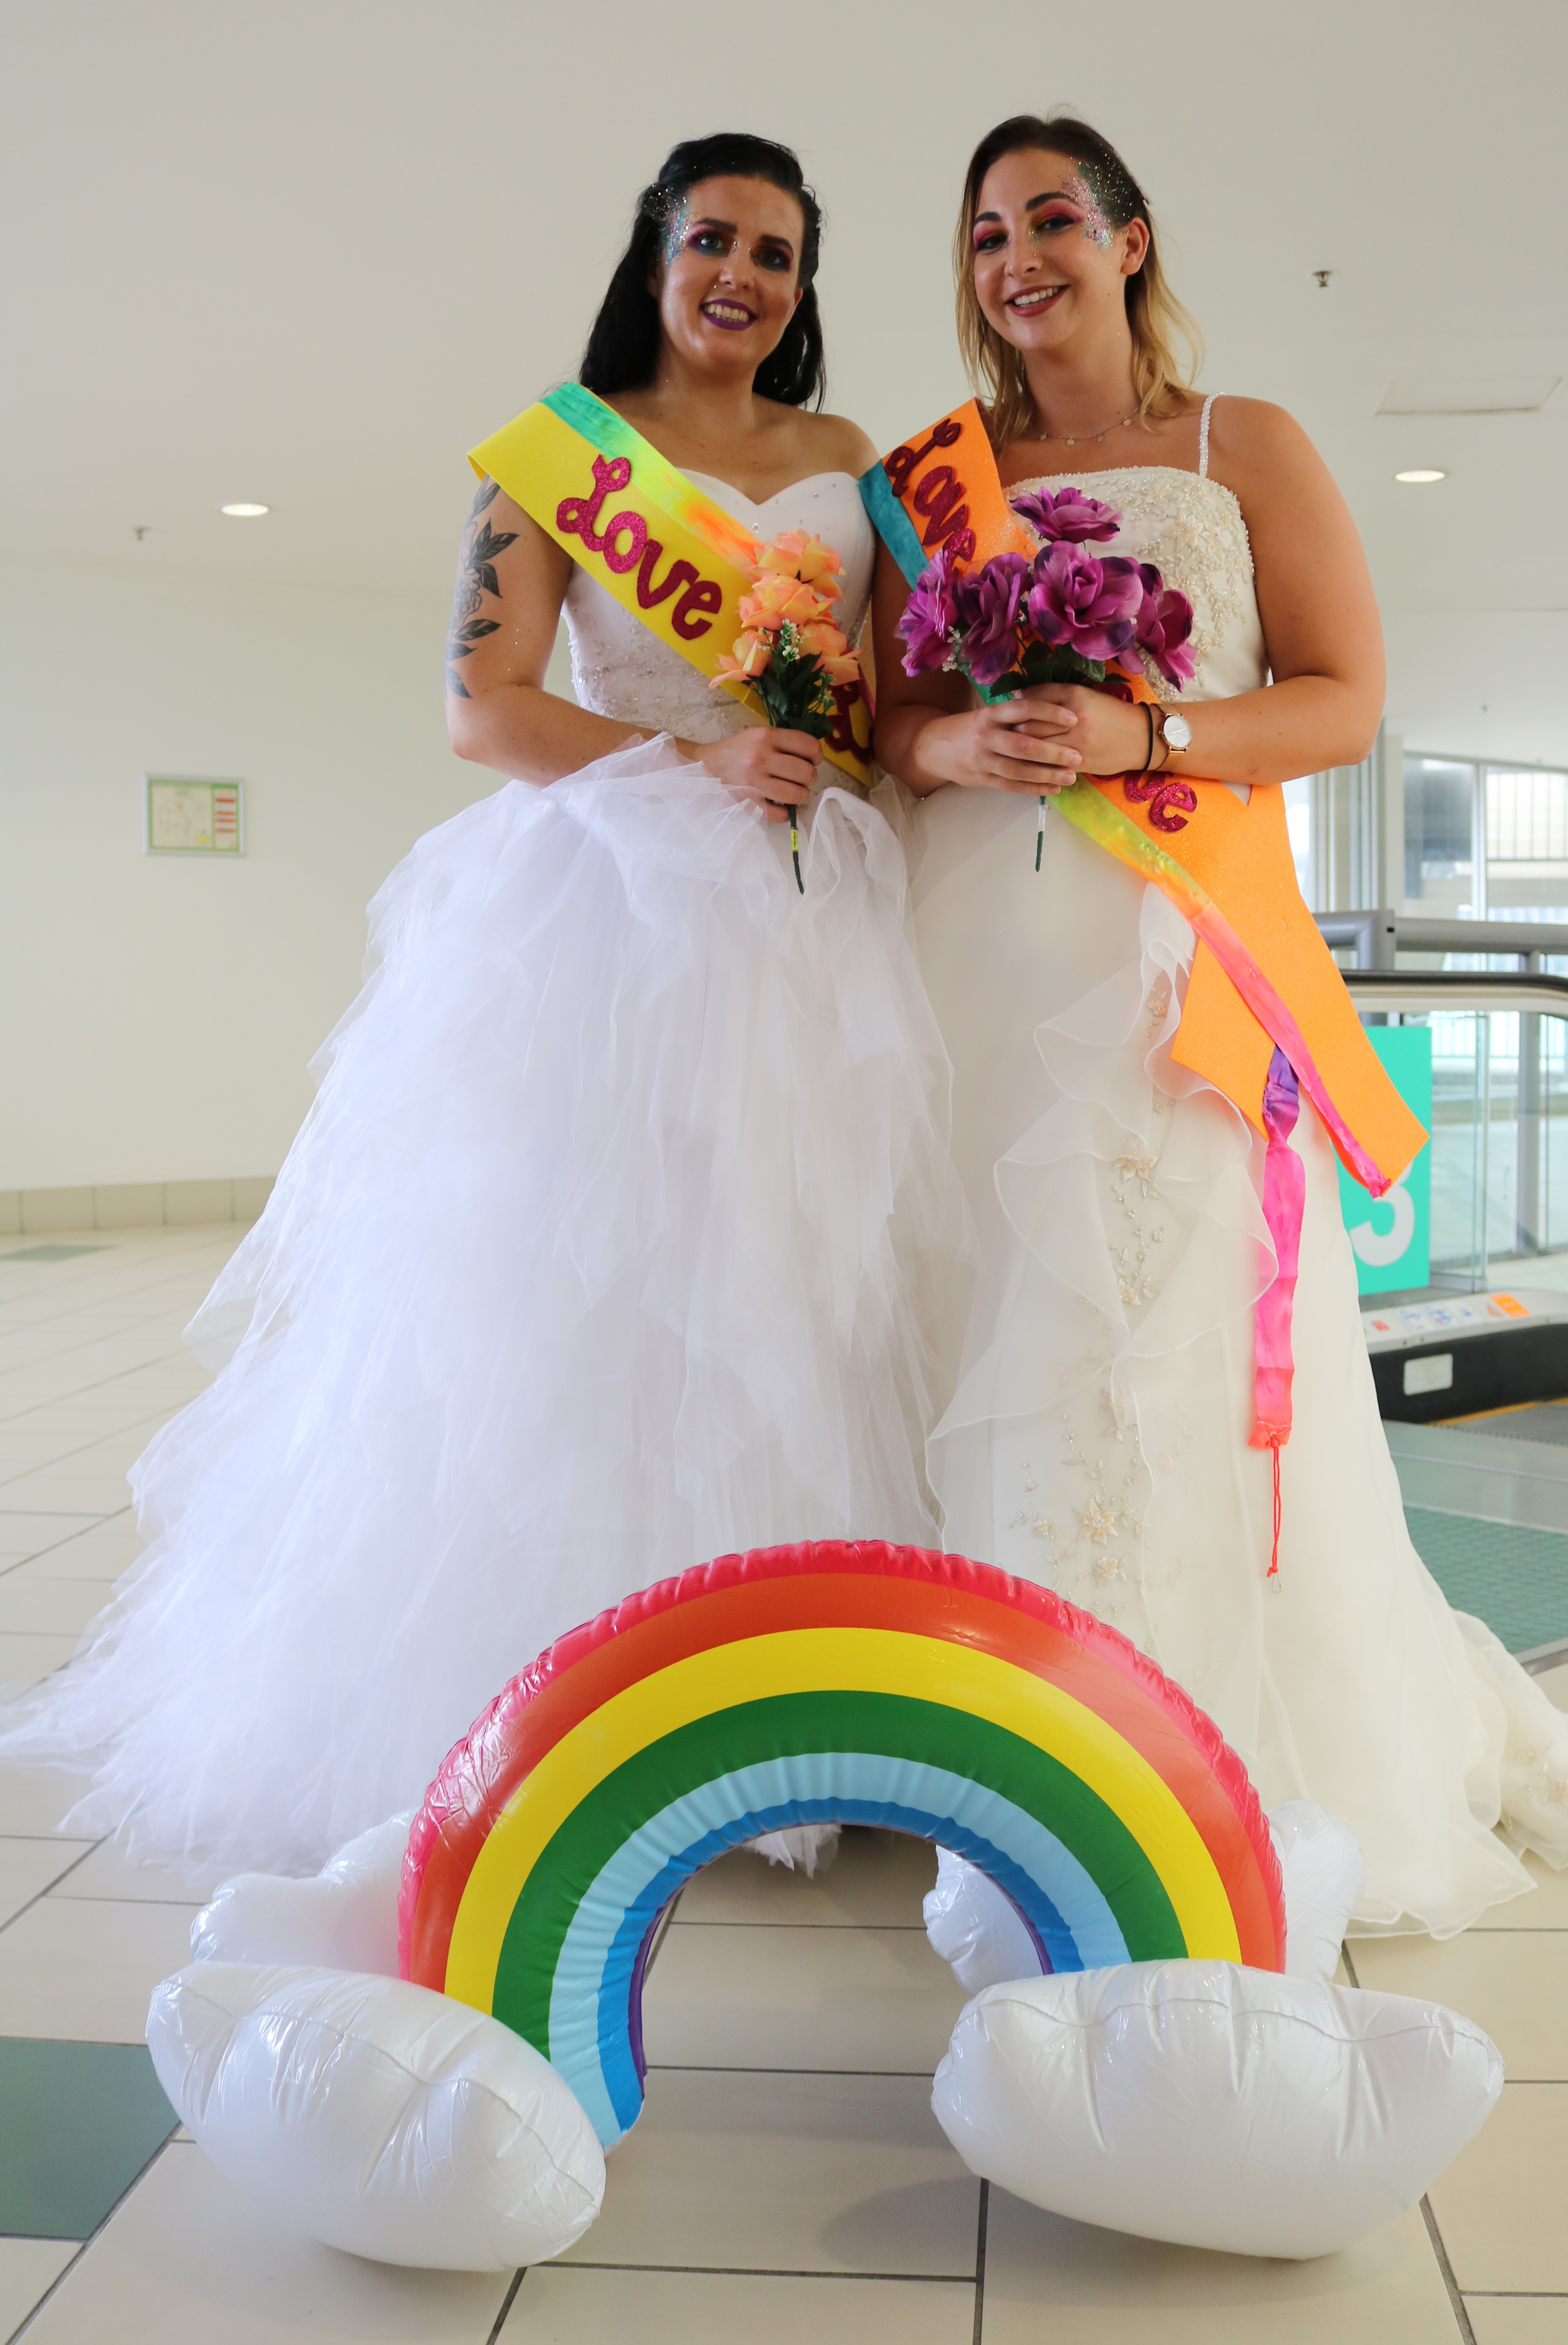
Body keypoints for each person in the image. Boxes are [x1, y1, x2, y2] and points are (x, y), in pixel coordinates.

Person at [4, 133, 968, 1879]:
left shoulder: (846, 461)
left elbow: (877, 690)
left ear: (804, 288)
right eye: (712, 241)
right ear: (655, 254)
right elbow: (484, 707)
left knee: (797, 1279)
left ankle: (775, 1704)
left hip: (814, 908)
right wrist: (690, 752)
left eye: (777, 253)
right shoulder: (558, 457)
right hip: (612, 905)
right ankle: (561, 1709)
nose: (742, 276)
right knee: (592, 1297)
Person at [872, 110, 1568, 1937]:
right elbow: (882, 722)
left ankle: (1194, 1748)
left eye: (1052, 216)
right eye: (984, 232)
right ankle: (1003, 1737)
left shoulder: (1242, 446)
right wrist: (951, 741)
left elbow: (1345, 700)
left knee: (1179, 1334)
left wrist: (1148, 737)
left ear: (1131, 241)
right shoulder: (932, 473)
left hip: (1182, 958)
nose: (1015, 255)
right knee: (985, 1321)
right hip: (978, 951)